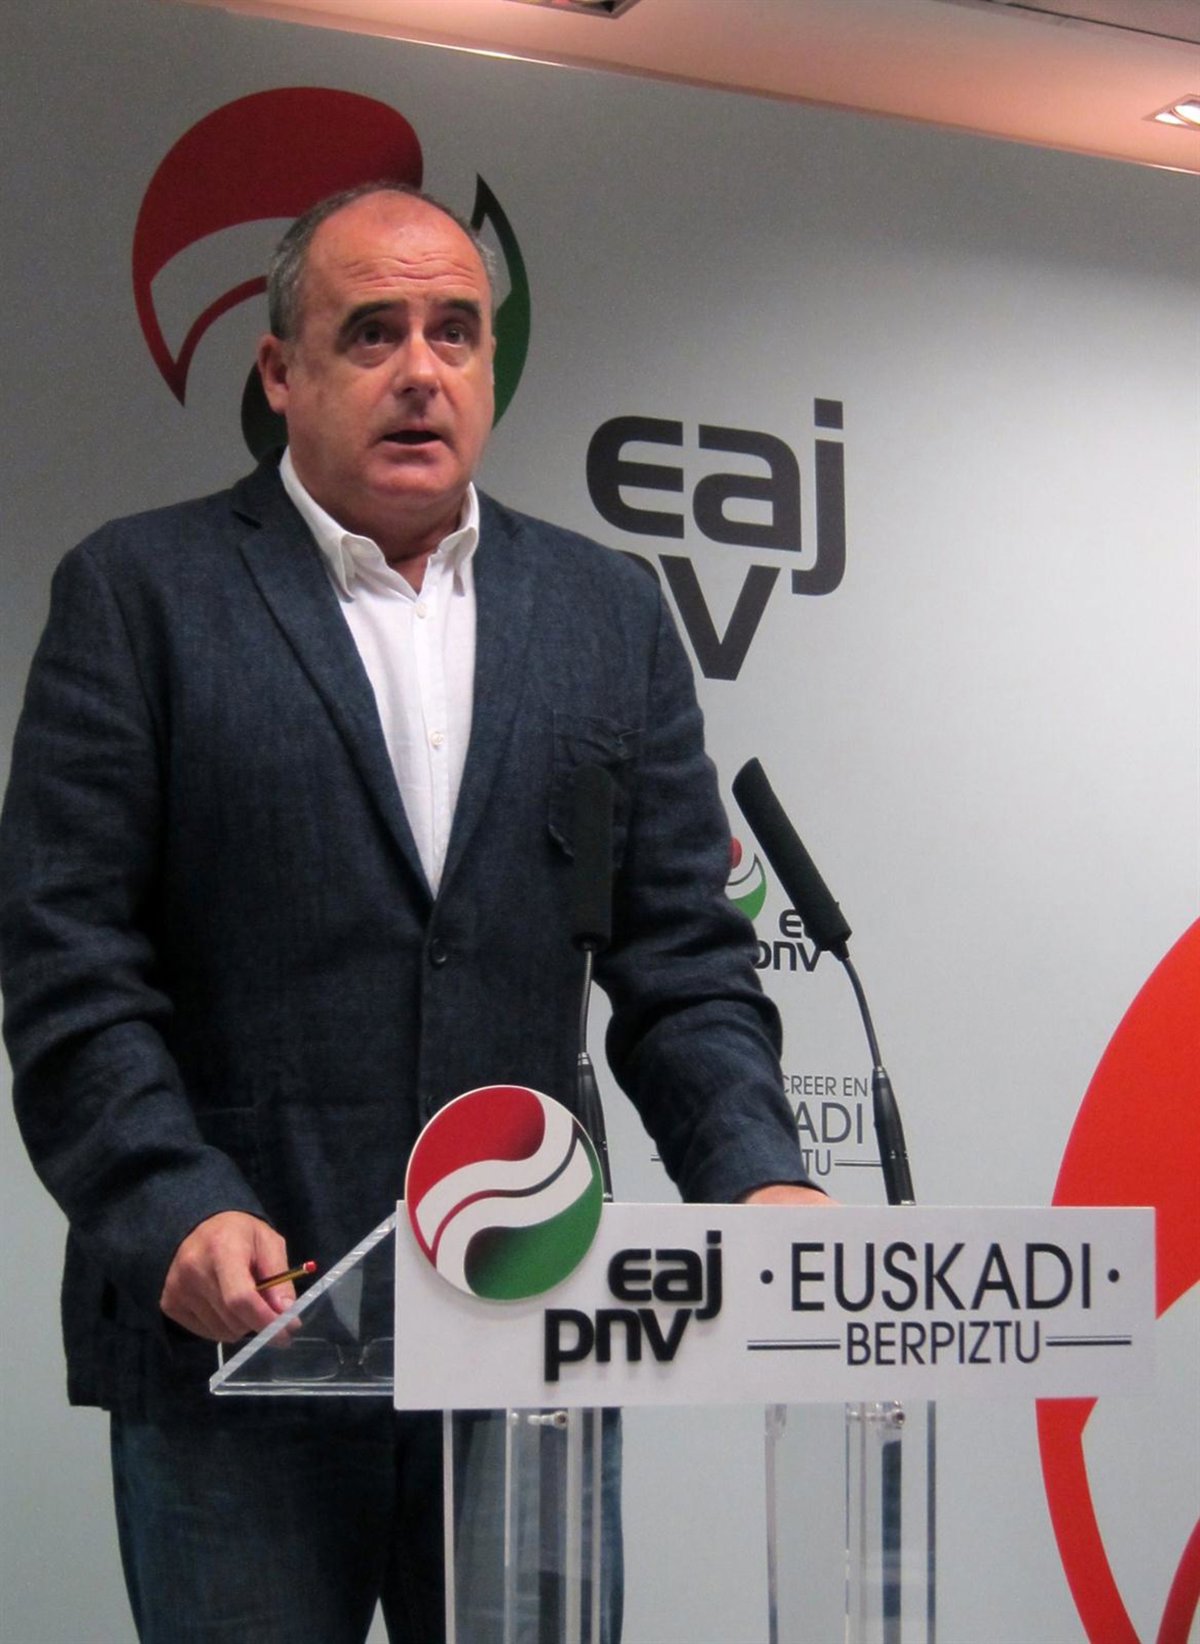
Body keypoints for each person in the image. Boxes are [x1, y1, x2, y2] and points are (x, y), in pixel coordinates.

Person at [0, 184, 825, 1643]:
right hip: (246, 1339)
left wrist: (758, 1187)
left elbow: (684, 959)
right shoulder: (140, 593)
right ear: (281, 372)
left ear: (493, 365)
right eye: (371, 332)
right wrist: (170, 1204)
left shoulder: (608, 612)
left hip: (527, 1324)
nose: (421, 370)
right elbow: (69, 961)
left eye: (456, 332)